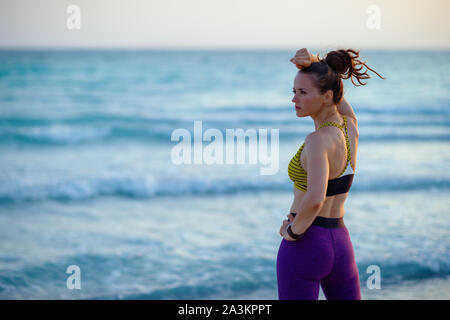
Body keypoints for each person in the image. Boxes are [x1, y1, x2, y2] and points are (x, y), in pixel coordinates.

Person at [276, 48, 385, 300]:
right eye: (294, 92)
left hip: (307, 244)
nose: (294, 99)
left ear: (326, 97)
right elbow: (342, 102)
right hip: (340, 243)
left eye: (303, 92)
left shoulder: (317, 140)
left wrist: (291, 232)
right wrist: (318, 63)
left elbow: (315, 199)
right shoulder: (349, 127)